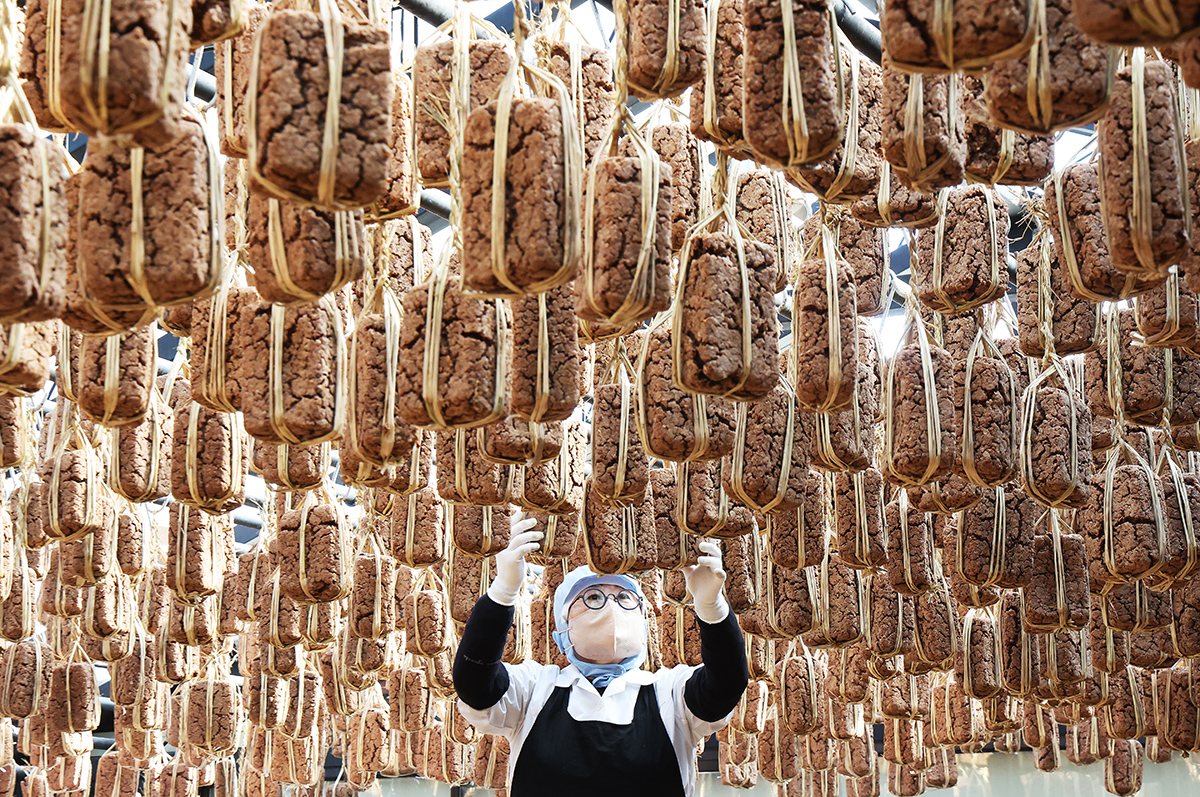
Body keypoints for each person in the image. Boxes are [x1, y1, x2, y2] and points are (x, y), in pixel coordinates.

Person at [453, 514, 750, 797]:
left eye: (624, 598)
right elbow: (475, 685)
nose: (612, 607)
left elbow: (726, 684)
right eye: (593, 597)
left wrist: (712, 609)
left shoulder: (669, 693)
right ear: (563, 627)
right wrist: (502, 592)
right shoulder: (535, 690)